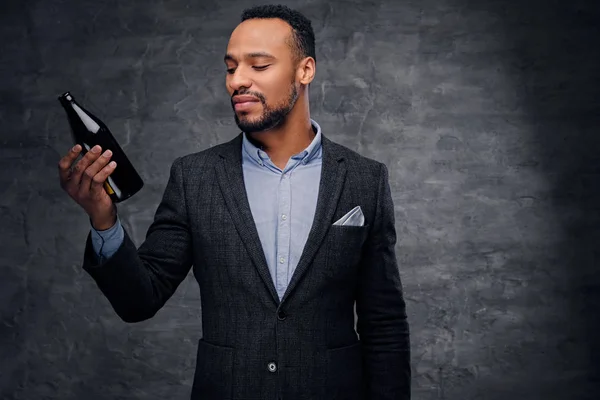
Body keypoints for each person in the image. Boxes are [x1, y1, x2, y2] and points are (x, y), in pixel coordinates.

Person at [57, 4, 411, 399]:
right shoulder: (195, 178)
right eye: (230, 67)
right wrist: (103, 219)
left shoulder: (365, 179)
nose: (237, 81)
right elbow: (139, 300)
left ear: (305, 70)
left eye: (258, 66)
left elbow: (385, 325)